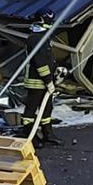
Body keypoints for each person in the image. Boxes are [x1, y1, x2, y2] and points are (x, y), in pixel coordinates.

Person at [21, 13, 59, 145]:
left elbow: (48, 59)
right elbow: (40, 62)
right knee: (31, 109)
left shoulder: (42, 37)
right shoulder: (36, 39)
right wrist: (48, 80)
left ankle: (48, 134)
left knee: (47, 108)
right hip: (36, 82)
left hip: (45, 81)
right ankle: (30, 136)